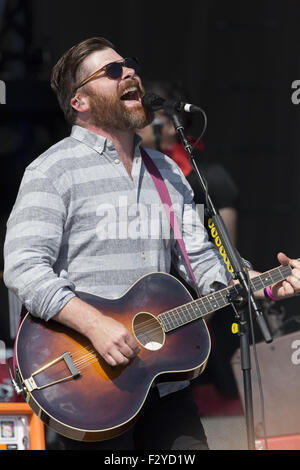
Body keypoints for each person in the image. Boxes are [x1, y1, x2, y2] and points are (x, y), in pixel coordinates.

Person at [3, 37, 300, 451]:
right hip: (91, 386)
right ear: (80, 101)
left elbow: (203, 261)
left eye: (129, 65)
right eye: (111, 71)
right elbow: (23, 267)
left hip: (164, 384)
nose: (129, 73)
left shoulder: (167, 171)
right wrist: (97, 325)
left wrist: (263, 282)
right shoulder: (52, 170)